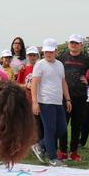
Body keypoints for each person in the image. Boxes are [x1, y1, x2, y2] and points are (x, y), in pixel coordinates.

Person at [58, 34, 89, 162]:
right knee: (63, 124)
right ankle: (63, 151)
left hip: (80, 96)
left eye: (76, 43)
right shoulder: (62, 57)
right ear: (68, 44)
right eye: (71, 42)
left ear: (81, 45)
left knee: (76, 125)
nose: (73, 45)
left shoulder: (86, 59)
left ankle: (74, 152)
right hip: (64, 96)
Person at [31, 38, 71, 166]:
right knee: (50, 130)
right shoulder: (40, 65)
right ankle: (53, 158)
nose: (48, 54)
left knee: (62, 128)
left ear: (56, 51)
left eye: (51, 51)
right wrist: (35, 102)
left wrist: (68, 99)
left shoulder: (59, 64)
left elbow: (63, 82)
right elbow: (34, 84)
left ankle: (40, 145)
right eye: (46, 51)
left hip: (58, 101)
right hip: (45, 101)